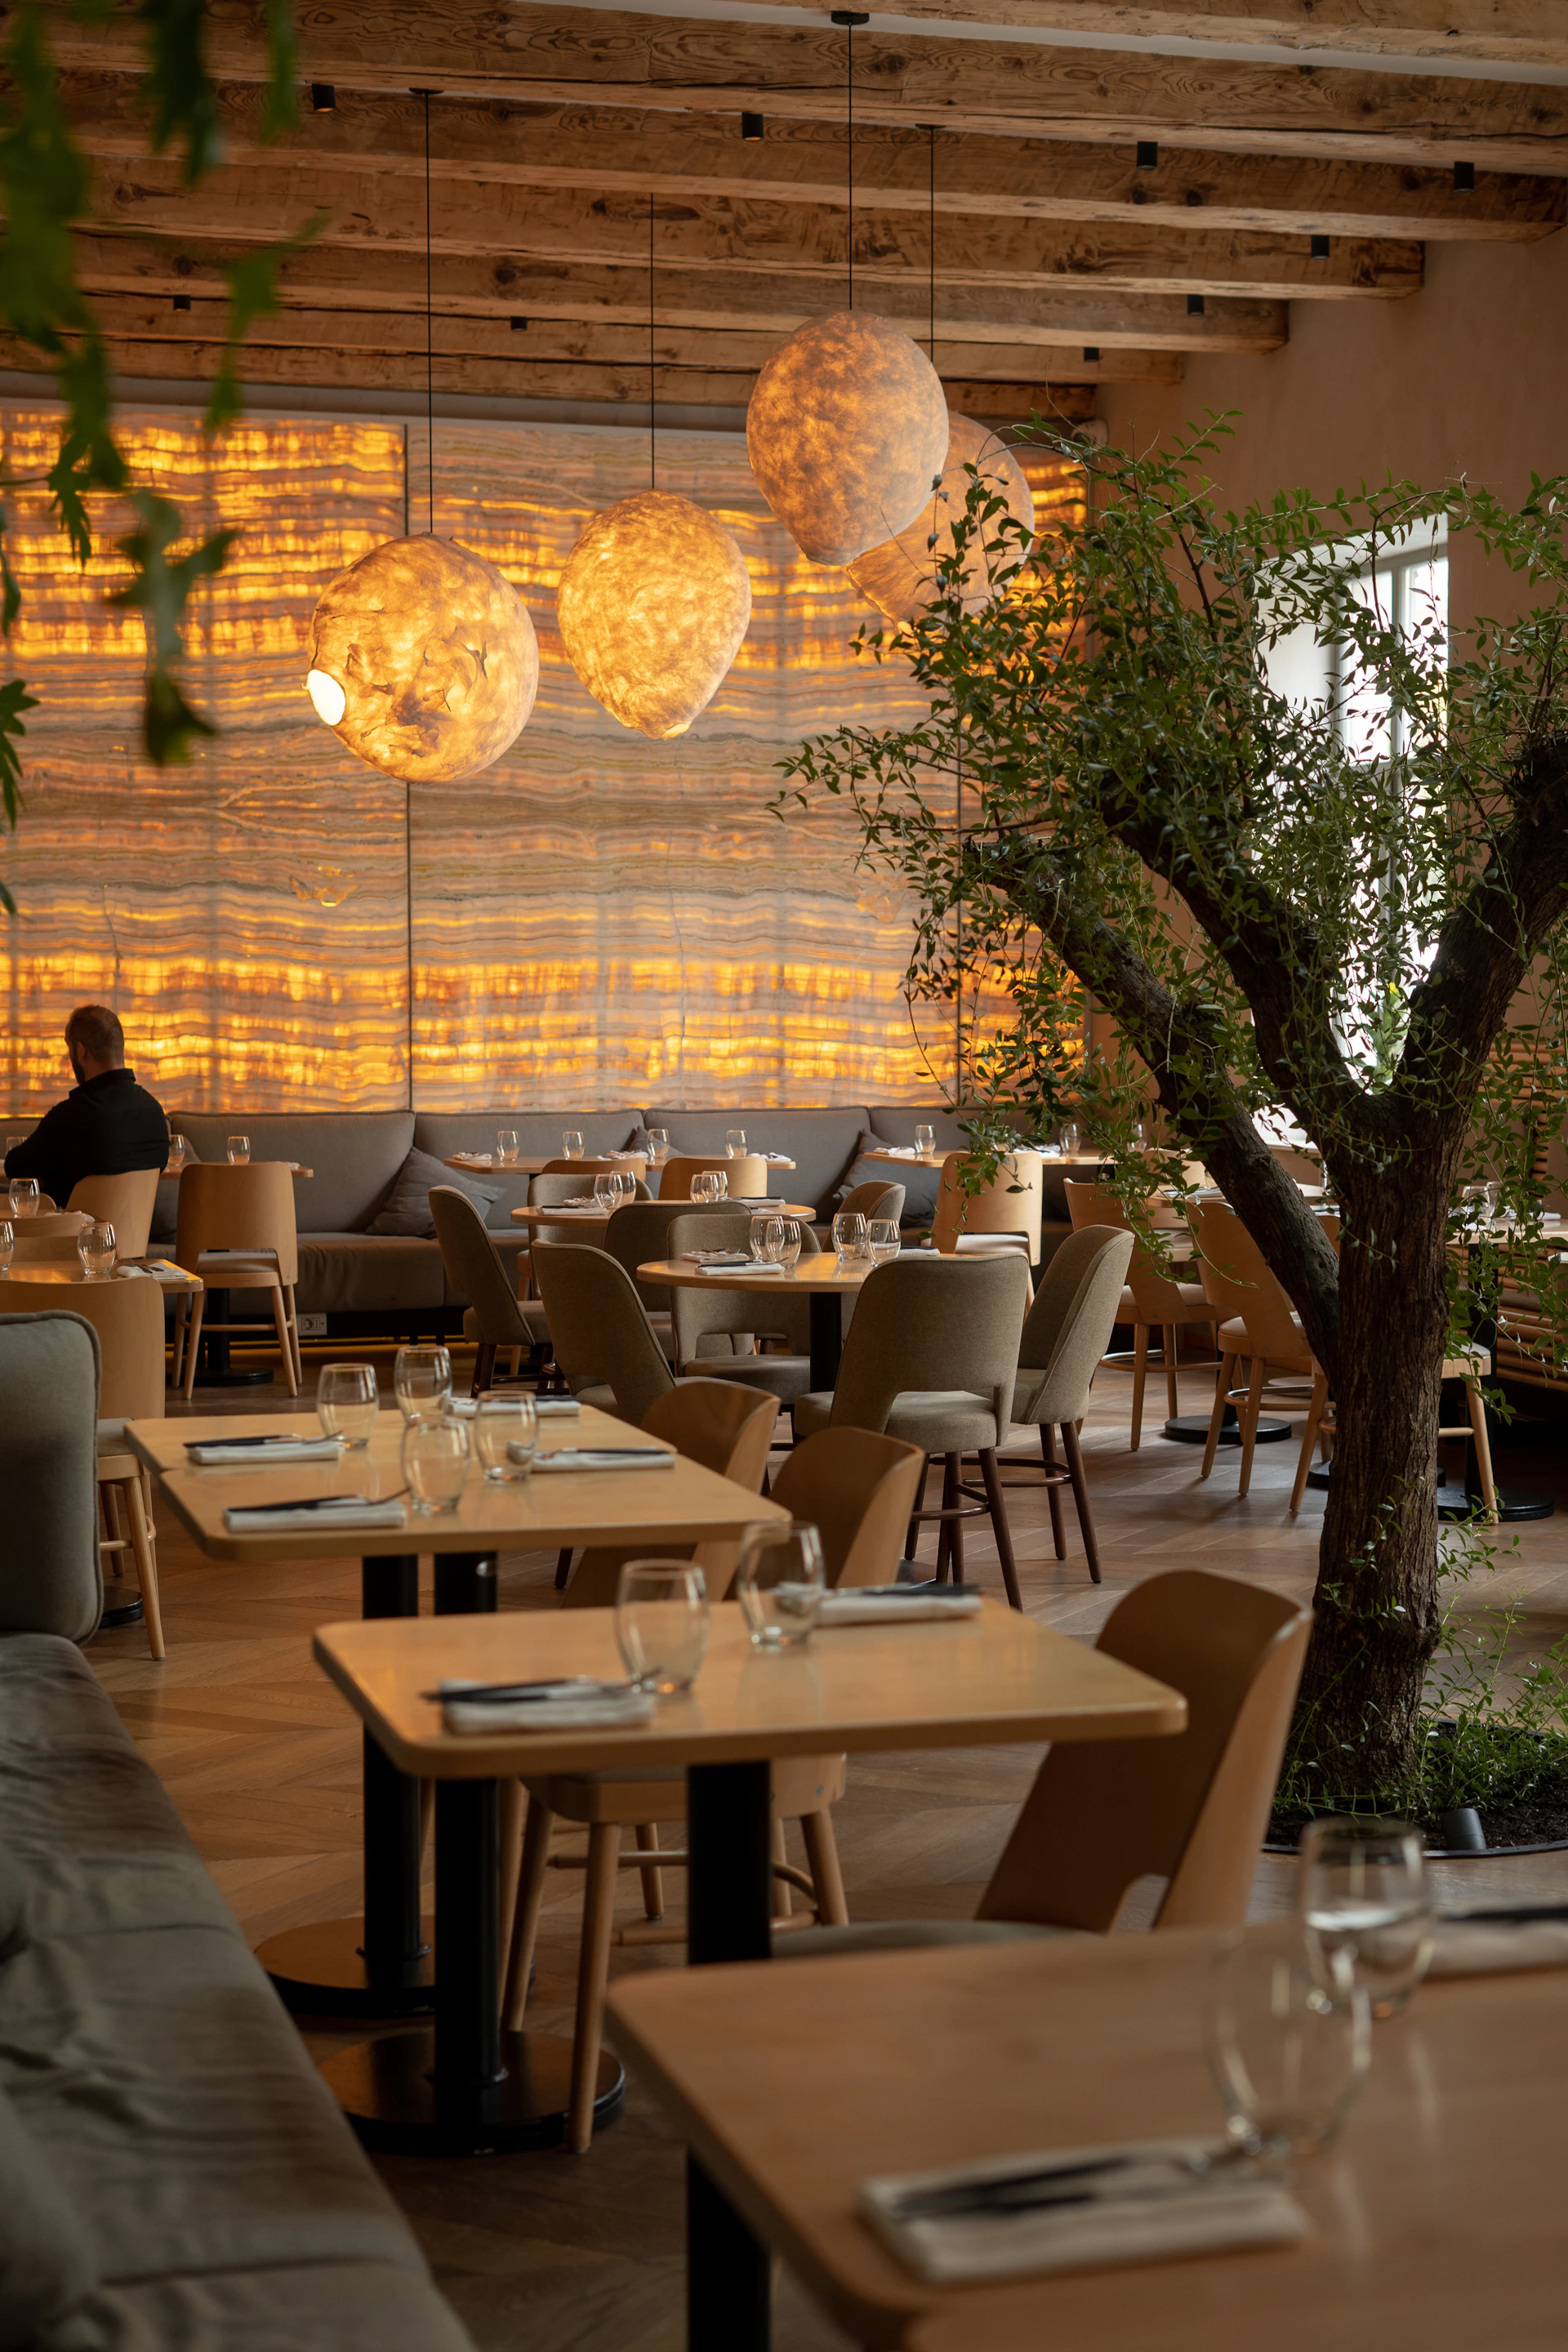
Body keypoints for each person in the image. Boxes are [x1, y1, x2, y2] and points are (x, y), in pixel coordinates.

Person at [4, 1005, 170, 1211]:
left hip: (71, 1241)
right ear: (120, 1048)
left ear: (81, 1051)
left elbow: (14, 1168)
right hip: (135, 1241)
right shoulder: (154, 1113)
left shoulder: (70, 1117)